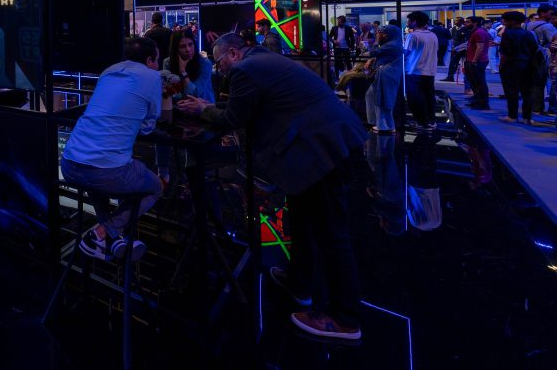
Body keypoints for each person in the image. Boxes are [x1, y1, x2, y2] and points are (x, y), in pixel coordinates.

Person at [177, 33, 365, 340]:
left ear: (233, 54)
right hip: (320, 145)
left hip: (322, 149)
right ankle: (299, 284)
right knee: (301, 223)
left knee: (332, 236)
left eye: (219, 61)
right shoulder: (263, 60)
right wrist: (209, 106)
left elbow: (235, 117)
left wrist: (202, 110)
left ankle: (346, 319)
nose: (219, 69)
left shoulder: (244, 69)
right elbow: (247, 104)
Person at [60, 36, 161, 262]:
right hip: (106, 172)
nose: (157, 65)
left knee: (97, 183)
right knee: (155, 187)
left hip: (69, 164)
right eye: (156, 60)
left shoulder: (108, 71)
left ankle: (113, 239)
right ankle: (100, 233)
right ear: (149, 60)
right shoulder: (153, 77)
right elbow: (148, 126)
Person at [156, 30, 215, 183]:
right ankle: (163, 174)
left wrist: (183, 72)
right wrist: (177, 95)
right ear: (175, 48)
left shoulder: (205, 64)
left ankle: (192, 178)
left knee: (193, 143)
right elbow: (170, 91)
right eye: (183, 46)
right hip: (180, 108)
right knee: (161, 133)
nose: (188, 49)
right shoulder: (168, 62)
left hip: (203, 110)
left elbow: (196, 93)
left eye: (190, 45)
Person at [498, 11, 543, 125]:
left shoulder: (508, 34)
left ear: (512, 21)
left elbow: (505, 52)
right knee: (527, 92)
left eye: (505, 20)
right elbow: (535, 50)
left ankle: (512, 116)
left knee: (511, 92)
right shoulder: (528, 33)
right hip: (528, 66)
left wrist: (501, 66)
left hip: (511, 66)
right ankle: (527, 118)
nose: (504, 22)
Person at [364, 24, 404, 133]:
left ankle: (385, 126)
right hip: (385, 75)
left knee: (383, 100)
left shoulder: (392, 45)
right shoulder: (393, 43)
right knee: (371, 95)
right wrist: (372, 59)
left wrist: (376, 41)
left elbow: (372, 52)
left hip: (387, 76)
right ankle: (375, 122)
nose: (379, 35)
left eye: (382, 33)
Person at [404, 11, 439, 130]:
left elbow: (405, 53)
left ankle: (422, 123)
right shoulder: (433, 35)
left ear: (415, 22)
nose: (408, 23)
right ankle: (431, 121)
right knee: (429, 97)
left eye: (409, 21)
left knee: (415, 99)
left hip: (415, 71)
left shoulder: (412, 36)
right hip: (430, 72)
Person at [524, 5, 557, 114]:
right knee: (551, 83)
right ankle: (553, 108)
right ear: (542, 13)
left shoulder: (526, 25)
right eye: (550, 13)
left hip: (529, 56)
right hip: (544, 56)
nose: (551, 16)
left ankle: (536, 108)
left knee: (535, 83)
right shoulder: (548, 26)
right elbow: (553, 42)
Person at [463, 17, 491, 110]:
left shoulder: (479, 32)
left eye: (468, 22)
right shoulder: (476, 32)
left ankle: (482, 103)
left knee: (479, 83)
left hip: (478, 61)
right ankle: (477, 100)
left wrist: (474, 60)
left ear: (475, 23)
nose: (465, 24)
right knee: (475, 83)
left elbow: (480, 48)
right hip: (473, 60)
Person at [443, 18, 471, 82]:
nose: (456, 22)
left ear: (462, 22)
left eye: (457, 21)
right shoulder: (453, 29)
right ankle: (450, 77)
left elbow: (466, 40)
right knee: (452, 63)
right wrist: (452, 46)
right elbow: (453, 39)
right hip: (455, 49)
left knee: (465, 64)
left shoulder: (466, 29)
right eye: (455, 21)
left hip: (463, 49)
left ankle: (466, 79)